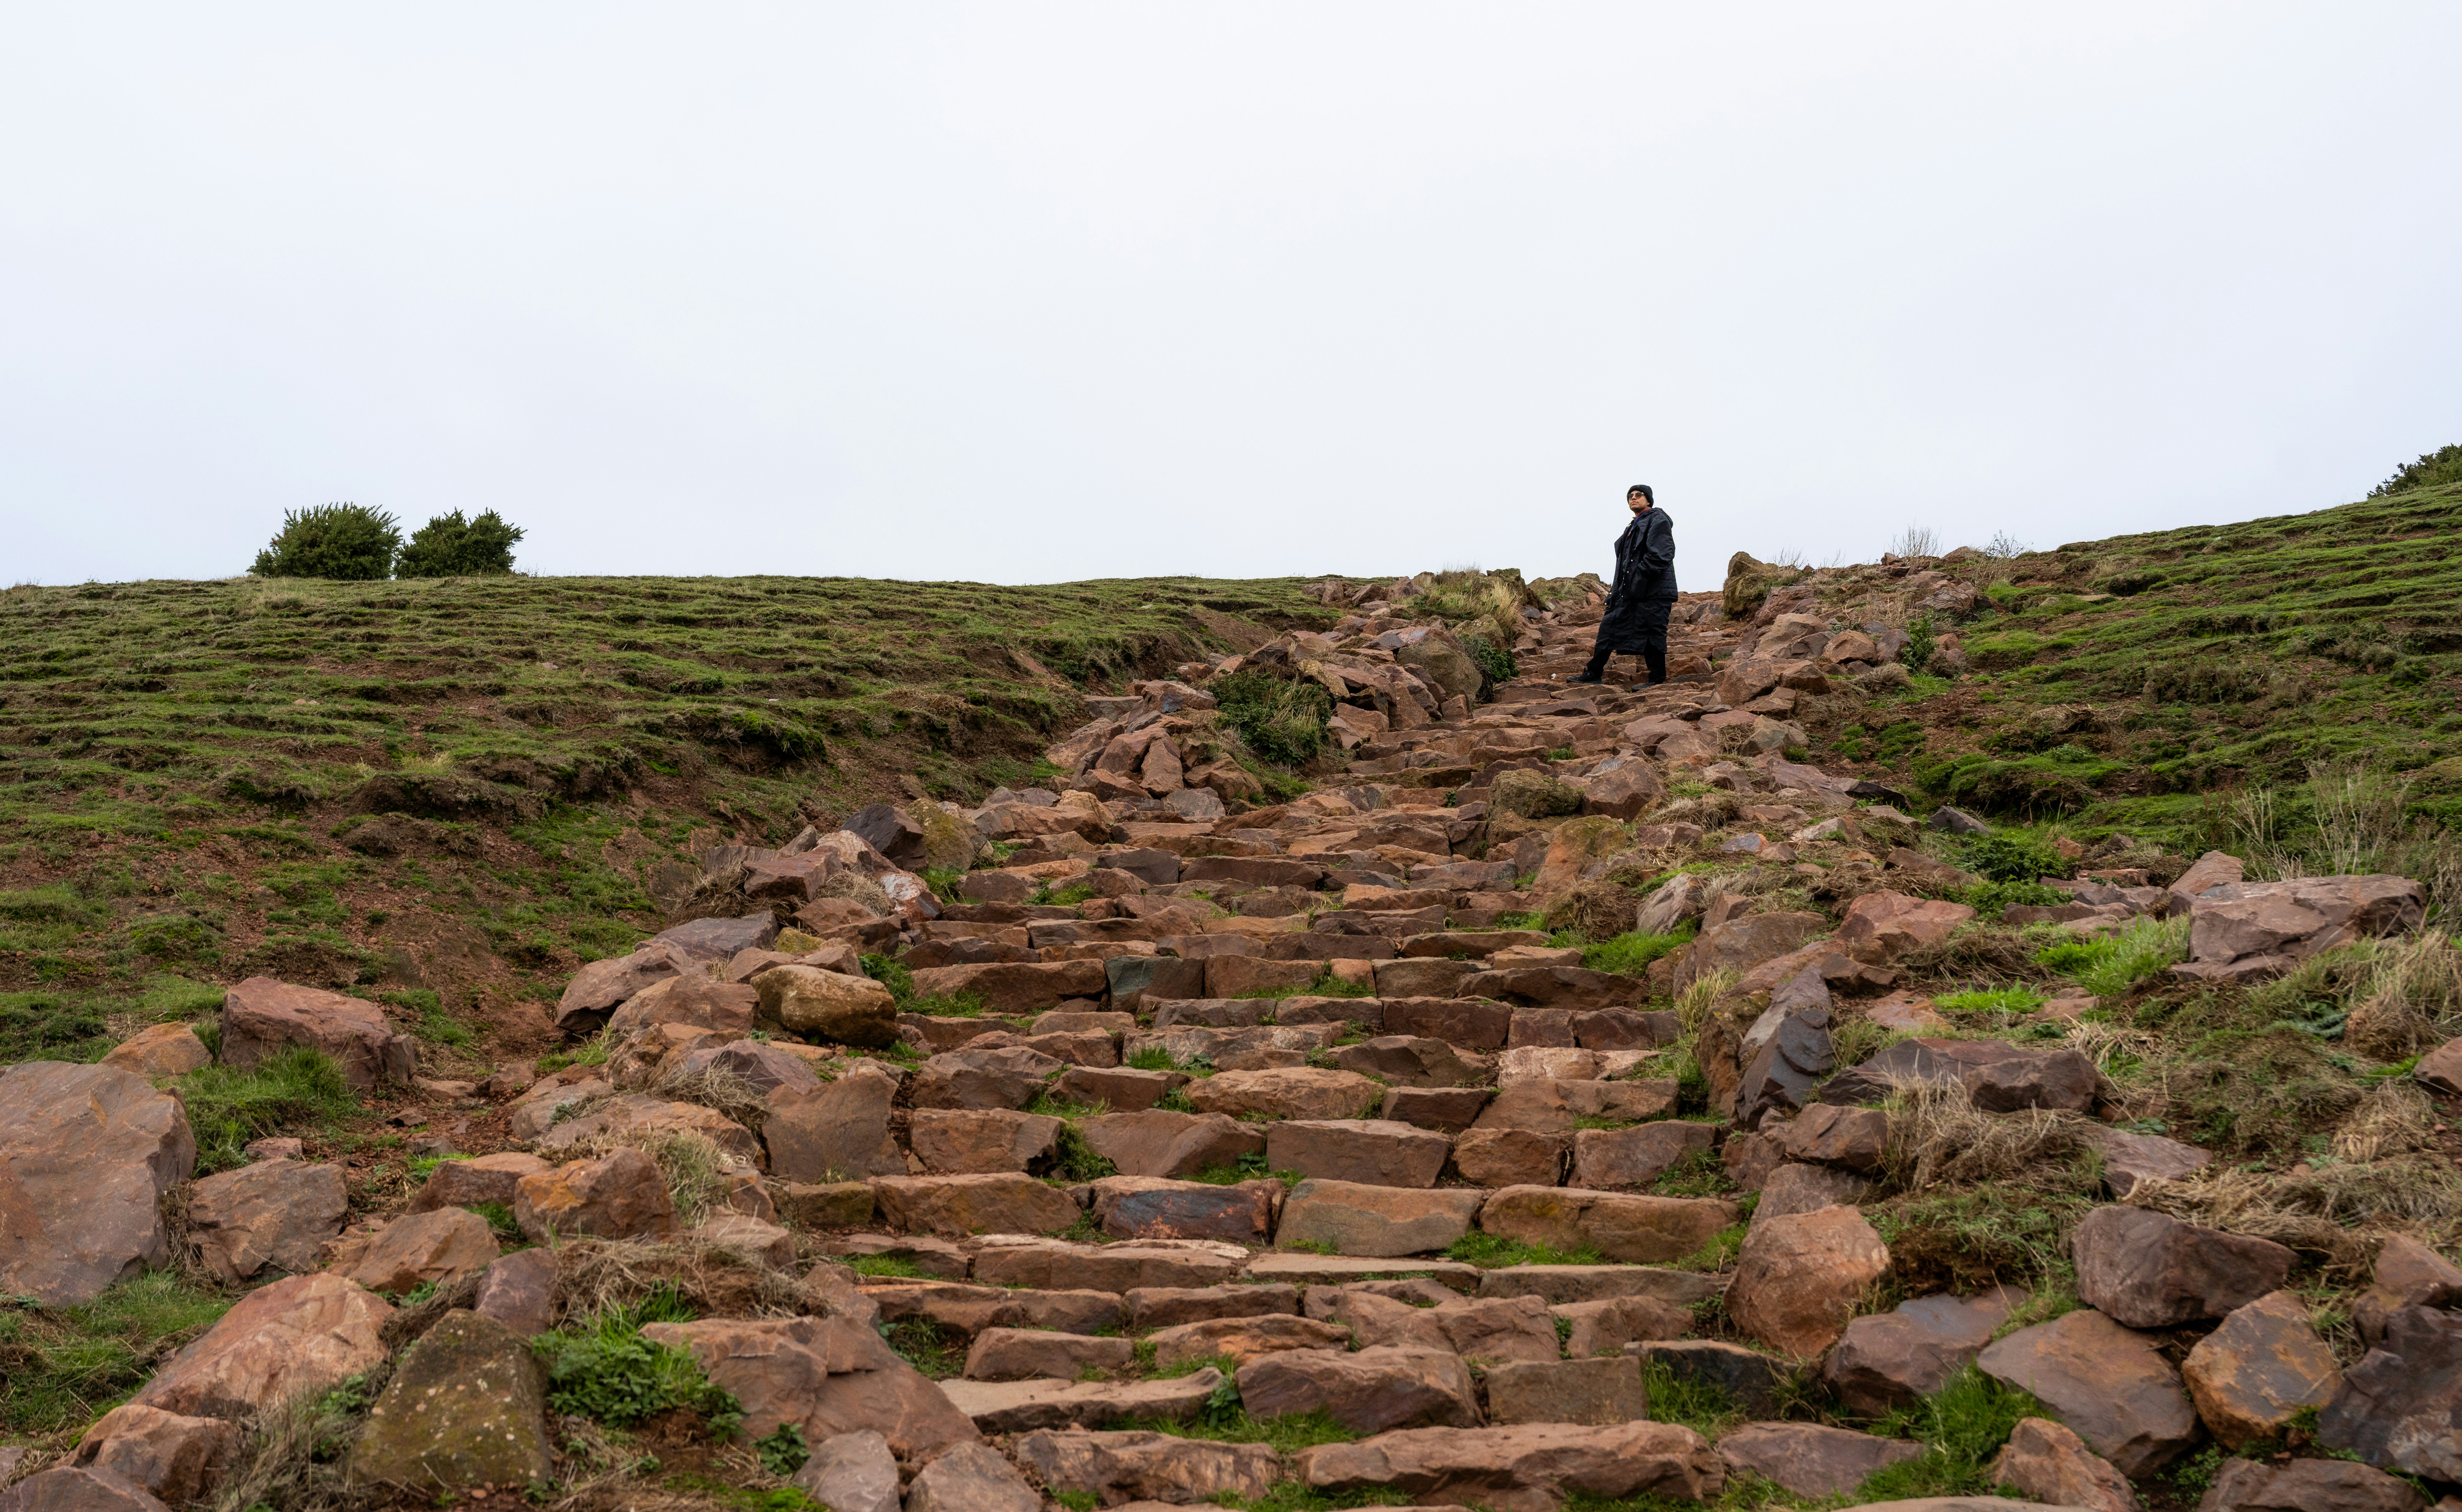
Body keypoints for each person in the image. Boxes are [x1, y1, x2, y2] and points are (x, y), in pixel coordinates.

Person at [1571, 484, 1677, 686]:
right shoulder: (1633, 526)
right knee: (1608, 628)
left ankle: (1657, 679)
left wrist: (1640, 576)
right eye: (1630, 496)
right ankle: (1594, 673)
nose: (1633, 498)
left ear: (1649, 500)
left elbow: (1662, 555)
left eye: (1639, 495)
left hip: (1653, 592)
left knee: (1653, 632)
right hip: (1628, 592)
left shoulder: (1658, 520)